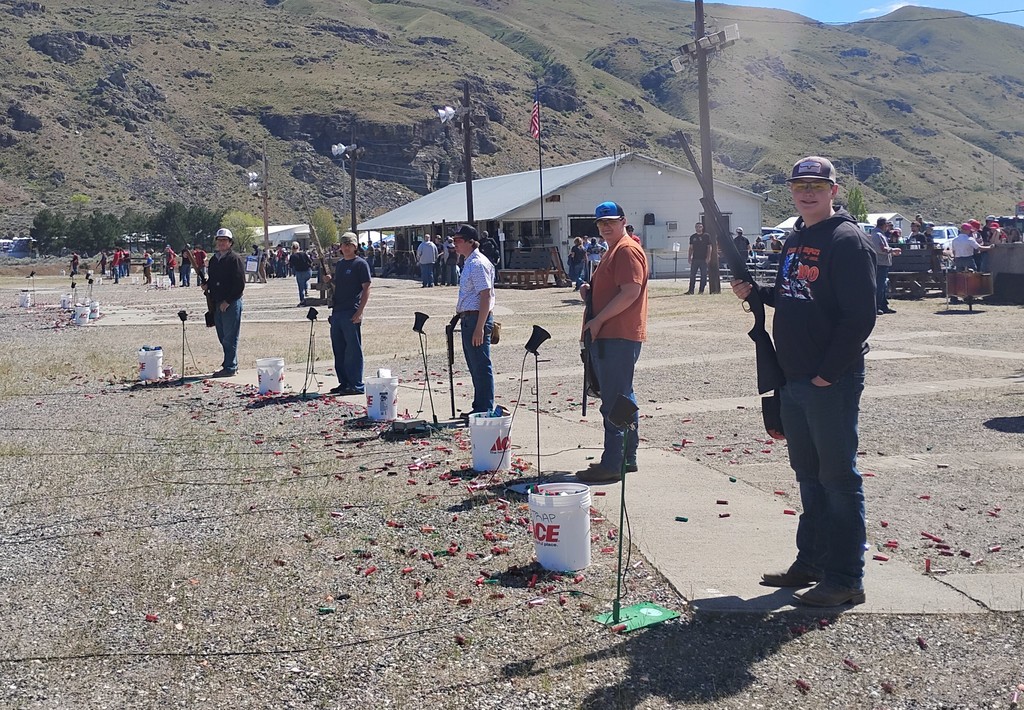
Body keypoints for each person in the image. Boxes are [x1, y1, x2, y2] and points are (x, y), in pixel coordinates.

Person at [732, 156, 876, 607]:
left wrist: (826, 374)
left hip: (828, 381)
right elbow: (794, 294)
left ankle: (846, 577)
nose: (807, 193)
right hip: (792, 377)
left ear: (833, 191)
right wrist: (757, 293)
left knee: (838, 479)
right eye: (800, 186)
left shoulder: (847, 240)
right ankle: (811, 561)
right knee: (809, 476)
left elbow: (860, 317)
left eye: (817, 185)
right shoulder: (795, 238)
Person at [576, 201, 648, 484]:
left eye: (611, 221)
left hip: (616, 334)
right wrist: (591, 293)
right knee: (623, 397)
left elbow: (630, 291)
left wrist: (599, 320)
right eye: (601, 223)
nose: (605, 226)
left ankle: (613, 462)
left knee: (613, 400)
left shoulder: (626, 249)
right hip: (614, 334)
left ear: (623, 221)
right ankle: (626, 457)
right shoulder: (614, 249)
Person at [452, 224, 496, 416]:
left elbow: (485, 296)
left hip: (477, 318)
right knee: (474, 365)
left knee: (481, 365)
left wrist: (480, 327)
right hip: (469, 318)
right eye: (454, 240)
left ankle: (484, 408)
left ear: (471, 242)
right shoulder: (469, 262)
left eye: (459, 240)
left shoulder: (477, 263)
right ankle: (479, 406)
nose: (455, 244)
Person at [323, 232, 371, 395]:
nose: (346, 248)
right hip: (337, 311)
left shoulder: (360, 264)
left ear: (355, 246)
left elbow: (366, 288)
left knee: (353, 350)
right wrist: (330, 280)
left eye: (349, 245)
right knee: (339, 349)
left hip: (351, 310)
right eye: (343, 245)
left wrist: (360, 311)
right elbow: (338, 286)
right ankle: (344, 382)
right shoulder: (341, 264)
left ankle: (355, 384)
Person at [205, 228, 246, 377]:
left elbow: (240, 284)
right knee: (223, 337)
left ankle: (230, 367)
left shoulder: (235, 259)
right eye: (219, 240)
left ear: (230, 243)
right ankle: (231, 363)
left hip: (231, 303)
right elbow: (213, 280)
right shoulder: (214, 260)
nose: (221, 243)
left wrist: (228, 301)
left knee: (230, 337)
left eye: (224, 240)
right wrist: (207, 285)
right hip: (216, 302)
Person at [870, 217, 898, 315]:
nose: (888, 227)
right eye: (887, 225)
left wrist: (891, 253)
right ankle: (877, 306)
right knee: (879, 286)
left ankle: (883, 305)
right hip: (880, 264)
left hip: (883, 263)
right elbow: (880, 249)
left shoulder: (880, 234)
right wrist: (892, 250)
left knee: (883, 285)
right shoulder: (877, 235)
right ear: (883, 225)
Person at [686, 222, 710, 294]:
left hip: (703, 259)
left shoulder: (706, 236)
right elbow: (691, 248)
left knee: (703, 275)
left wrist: (708, 257)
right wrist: (689, 257)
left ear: (702, 227)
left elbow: (709, 247)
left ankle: (701, 290)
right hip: (695, 259)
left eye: (700, 227)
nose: (698, 228)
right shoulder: (693, 237)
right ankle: (691, 290)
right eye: (697, 227)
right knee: (692, 275)